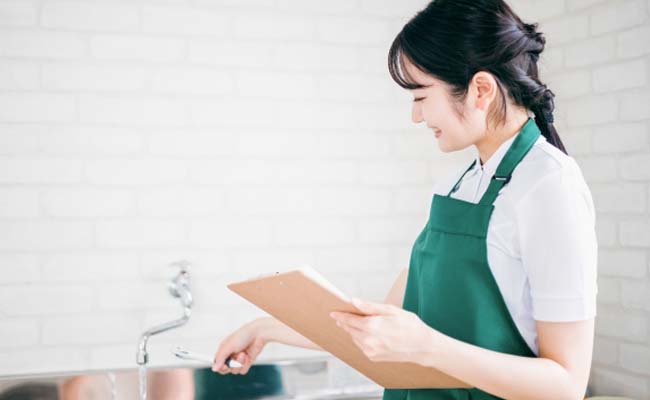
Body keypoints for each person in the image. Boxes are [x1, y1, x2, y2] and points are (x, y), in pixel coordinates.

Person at [211, 0, 598, 399]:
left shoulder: (548, 186)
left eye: (420, 96)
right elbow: (378, 325)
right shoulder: (458, 186)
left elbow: (565, 385)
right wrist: (266, 328)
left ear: (480, 89)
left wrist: (427, 347)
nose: (416, 116)